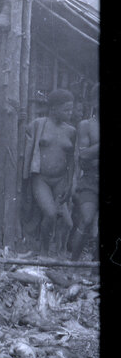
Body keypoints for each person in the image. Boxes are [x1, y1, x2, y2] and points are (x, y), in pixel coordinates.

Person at [23, 89, 76, 254]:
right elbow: (26, 145)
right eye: (66, 109)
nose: (70, 113)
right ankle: (44, 251)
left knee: (67, 223)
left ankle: (59, 253)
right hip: (42, 179)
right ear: (53, 108)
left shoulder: (71, 131)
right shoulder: (38, 125)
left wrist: (70, 182)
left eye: (71, 109)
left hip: (61, 180)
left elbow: (72, 160)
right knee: (51, 214)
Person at [68, 85, 98, 261]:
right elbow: (84, 154)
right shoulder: (86, 125)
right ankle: (73, 264)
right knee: (86, 220)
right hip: (90, 180)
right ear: (94, 101)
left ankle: (95, 270)